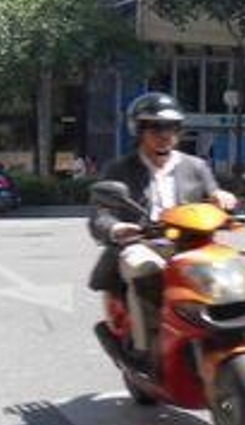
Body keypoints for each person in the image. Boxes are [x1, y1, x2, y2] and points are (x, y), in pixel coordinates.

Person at [88, 92, 236, 373]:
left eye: (172, 127)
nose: (165, 135)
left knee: (232, 268)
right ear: (139, 130)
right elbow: (99, 215)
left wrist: (222, 196)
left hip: (191, 244)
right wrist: (117, 228)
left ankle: (228, 332)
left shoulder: (195, 166)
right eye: (156, 128)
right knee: (145, 268)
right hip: (142, 243)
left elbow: (213, 193)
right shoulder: (119, 169)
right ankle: (146, 350)